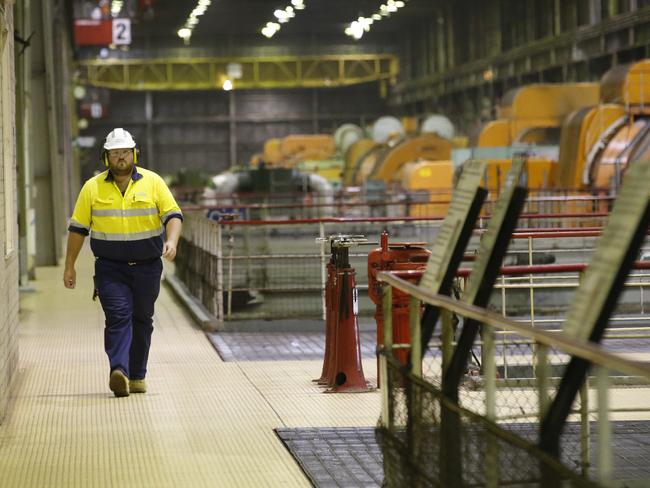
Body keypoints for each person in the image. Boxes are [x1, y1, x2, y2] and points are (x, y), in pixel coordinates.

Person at [63, 128, 183, 397]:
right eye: (115, 153)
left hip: (148, 267)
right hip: (109, 268)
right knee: (118, 317)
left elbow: (173, 214)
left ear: (134, 154)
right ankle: (119, 370)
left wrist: (172, 241)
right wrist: (69, 265)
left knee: (143, 319)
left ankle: (137, 375)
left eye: (125, 152)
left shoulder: (153, 182)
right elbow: (78, 229)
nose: (120, 158)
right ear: (106, 157)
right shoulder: (91, 188)